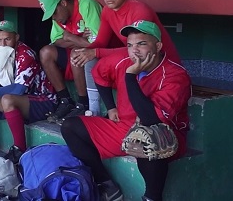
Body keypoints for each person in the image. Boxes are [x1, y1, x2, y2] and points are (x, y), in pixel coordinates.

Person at [62, 20, 190, 201]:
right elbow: (98, 73)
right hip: (124, 128)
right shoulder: (124, 60)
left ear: (158, 46)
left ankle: (152, 197)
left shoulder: (175, 75)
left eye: (141, 44)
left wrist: (130, 76)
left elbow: (151, 119)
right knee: (70, 126)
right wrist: (111, 106)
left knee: (146, 138)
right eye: (130, 45)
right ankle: (106, 185)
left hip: (164, 134)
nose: (134, 50)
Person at [0, 21, 57, 163]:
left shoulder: (25, 55)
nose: (2, 44)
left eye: (7, 39)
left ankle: (19, 149)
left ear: (16, 37)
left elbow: (19, 89)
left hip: (44, 100)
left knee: (6, 99)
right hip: (24, 100)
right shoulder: (0, 52)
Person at [71, 0, 181, 68]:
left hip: (161, 62)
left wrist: (95, 52)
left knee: (101, 62)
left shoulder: (140, 10)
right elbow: (101, 42)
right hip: (136, 57)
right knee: (87, 59)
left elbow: (137, 49)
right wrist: (85, 51)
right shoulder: (107, 11)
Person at [37, 0, 103, 122]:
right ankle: (65, 100)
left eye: (54, 12)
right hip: (80, 51)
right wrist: (77, 39)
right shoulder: (58, 17)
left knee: (75, 52)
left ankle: (83, 103)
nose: (54, 18)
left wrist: (69, 37)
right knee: (46, 52)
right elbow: (56, 40)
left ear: (63, 3)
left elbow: (95, 42)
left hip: (101, 53)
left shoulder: (87, 5)